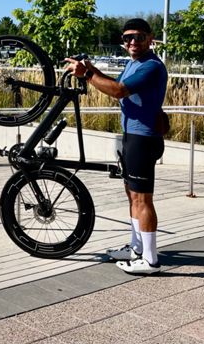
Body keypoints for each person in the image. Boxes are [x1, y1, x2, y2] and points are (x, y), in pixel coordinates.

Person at [65, 18, 168, 275]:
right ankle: (137, 248)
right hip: (131, 137)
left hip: (143, 139)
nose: (133, 42)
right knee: (132, 195)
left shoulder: (152, 66)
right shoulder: (133, 64)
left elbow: (119, 90)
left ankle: (151, 260)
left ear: (150, 39)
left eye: (138, 37)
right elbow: (113, 84)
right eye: (127, 38)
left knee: (143, 199)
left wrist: (88, 74)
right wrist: (93, 70)